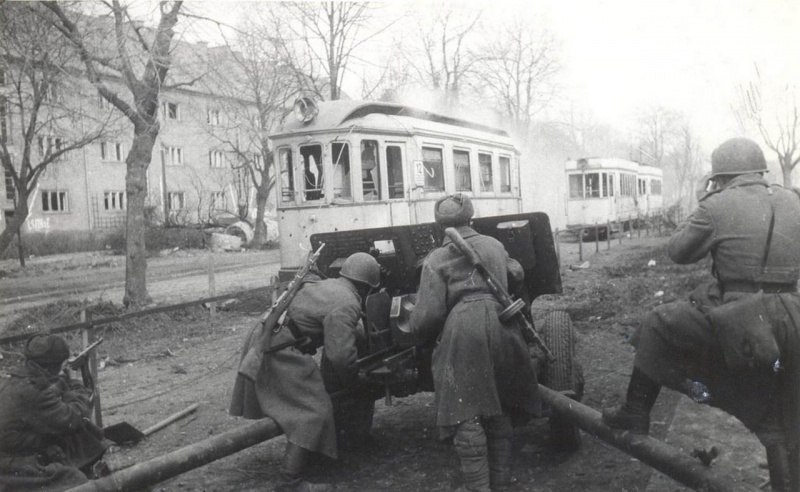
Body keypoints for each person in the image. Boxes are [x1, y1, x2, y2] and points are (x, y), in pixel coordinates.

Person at [602, 138, 800, 475]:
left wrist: (703, 202)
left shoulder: (716, 204)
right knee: (785, 412)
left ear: (719, 177)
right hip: (792, 317)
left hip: (744, 319)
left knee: (658, 322)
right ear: (760, 171)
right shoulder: (793, 200)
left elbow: (678, 252)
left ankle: (635, 411)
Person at [408, 193, 540, 492]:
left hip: (463, 330)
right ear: (472, 218)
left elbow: (429, 315)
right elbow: (515, 273)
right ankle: (501, 483)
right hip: (503, 323)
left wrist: (418, 333)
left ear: (438, 224)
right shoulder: (494, 245)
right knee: (500, 407)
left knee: (466, 413)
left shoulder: (437, 258)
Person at [230, 252, 382, 492]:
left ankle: (310, 457)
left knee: (307, 404)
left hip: (268, 335)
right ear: (365, 287)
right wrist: (356, 379)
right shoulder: (348, 302)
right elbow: (340, 356)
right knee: (312, 411)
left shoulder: (328, 285)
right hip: (278, 347)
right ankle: (291, 481)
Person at [0, 334, 108, 491]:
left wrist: (59, 382)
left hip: (17, 450)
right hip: (13, 464)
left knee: (81, 439)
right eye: (60, 365)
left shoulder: (16, 380)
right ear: (49, 368)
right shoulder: (33, 390)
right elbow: (74, 418)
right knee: (76, 481)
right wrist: (74, 384)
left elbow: (46, 402)